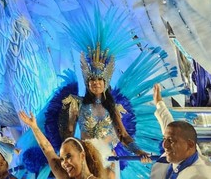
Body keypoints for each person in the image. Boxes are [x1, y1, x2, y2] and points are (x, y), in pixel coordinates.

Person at [60, 9, 150, 160]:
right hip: (86, 160)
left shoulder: (112, 107)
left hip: (108, 159)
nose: (96, 83)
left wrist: (138, 151)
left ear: (105, 82)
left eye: (99, 79)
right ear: (87, 83)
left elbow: (123, 136)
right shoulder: (76, 104)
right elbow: (68, 136)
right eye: (92, 80)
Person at [150, 84, 211, 179]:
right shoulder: (188, 153)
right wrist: (159, 103)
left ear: (189, 145)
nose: (164, 145)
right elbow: (171, 128)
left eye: (171, 141)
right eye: (165, 139)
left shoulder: (198, 176)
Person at [19, 110, 107, 179]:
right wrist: (34, 127)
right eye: (61, 159)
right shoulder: (64, 176)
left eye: (68, 156)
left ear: (82, 155)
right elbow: (48, 150)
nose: (64, 163)